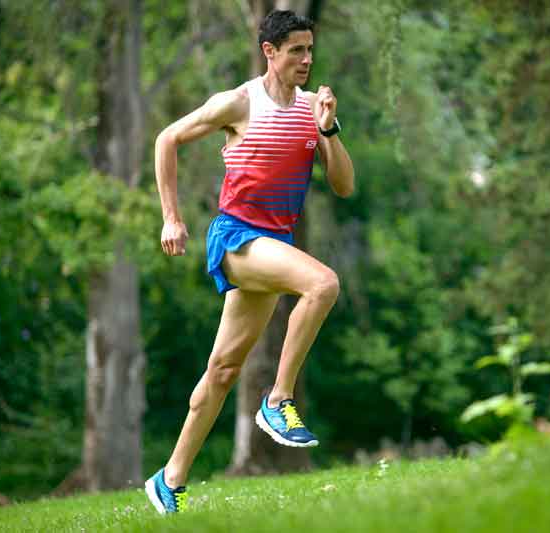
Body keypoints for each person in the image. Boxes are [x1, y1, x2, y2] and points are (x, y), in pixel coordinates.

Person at [144, 10, 354, 515]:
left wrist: (328, 130)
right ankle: (278, 400)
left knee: (223, 369)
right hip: (236, 238)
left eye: (310, 49)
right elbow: (166, 139)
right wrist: (171, 218)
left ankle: (168, 480)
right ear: (269, 52)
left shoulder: (313, 108)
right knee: (322, 284)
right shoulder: (239, 102)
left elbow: (344, 186)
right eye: (296, 50)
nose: (306, 59)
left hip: (272, 244)